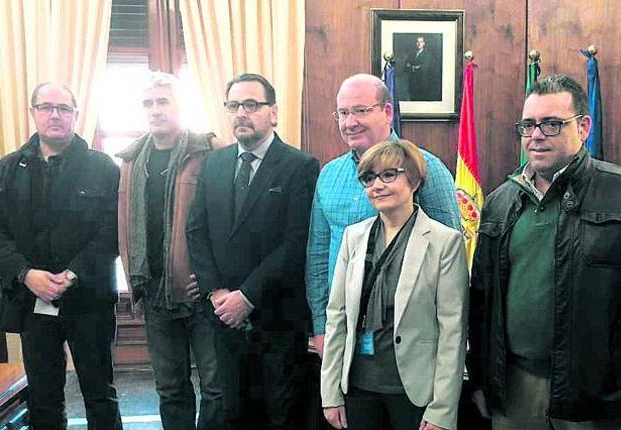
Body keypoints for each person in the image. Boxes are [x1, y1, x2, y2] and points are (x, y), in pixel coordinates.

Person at [468, 74, 621, 430]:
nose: (537, 135)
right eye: (528, 125)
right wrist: (482, 381)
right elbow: (482, 303)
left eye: (552, 124)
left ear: (585, 127)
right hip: (515, 392)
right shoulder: (499, 203)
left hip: (599, 399)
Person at [186, 73, 320, 429]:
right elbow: (196, 231)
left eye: (251, 104)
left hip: (276, 317)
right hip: (224, 317)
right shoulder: (214, 164)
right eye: (233, 105)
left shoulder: (299, 166)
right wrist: (217, 293)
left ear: (273, 112)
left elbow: (295, 243)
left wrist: (247, 296)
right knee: (233, 414)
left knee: (280, 415)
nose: (241, 113)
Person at [306, 73, 460, 359]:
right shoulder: (328, 175)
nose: (350, 122)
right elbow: (317, 255)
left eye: (361, 111)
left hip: (408, 339)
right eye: (343, 113)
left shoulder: (427, 169)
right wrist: (320, 326)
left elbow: (450, 262)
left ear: (387, 112)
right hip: (343, 331)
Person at [0, 82, 122, 429]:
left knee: (99, 392)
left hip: (88, 299)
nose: (55, 115)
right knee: (43, 395)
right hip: (31, 301)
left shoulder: (104, 168)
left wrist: (72, 274)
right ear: (33, 112)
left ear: (76, 115)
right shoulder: (6, 170)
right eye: (47, 107)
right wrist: (25, 273)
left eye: (64, 109)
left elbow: (111, 231)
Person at [320, 140, 468, 430]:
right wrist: (330, 393)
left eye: (389, 175)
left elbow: (453, 330)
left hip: (414, 391)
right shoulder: (354, 237)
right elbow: (336, 316)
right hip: (359, 386)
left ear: (413, 180)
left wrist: (442, 409)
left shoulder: (444, 242)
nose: (377, 185)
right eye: (369, 178)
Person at [117, 72, 222, 429]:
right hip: (155, 294)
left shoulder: (207, 152)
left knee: (216, 388)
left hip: (202, 294)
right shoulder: (131, 161)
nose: (155, 110)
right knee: (170, 388)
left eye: (163, 101)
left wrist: (211, 278)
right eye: (148, 103)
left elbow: (227, 221)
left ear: (180, 105)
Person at [404, 36, 433, 101]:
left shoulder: (427, 55)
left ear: (424, 43)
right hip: (412, 84)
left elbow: (425, 67)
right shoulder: (411, 55)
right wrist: (415, 67)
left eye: (421, 42)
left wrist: (413, 67)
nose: (419, 44)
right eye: (417, 42)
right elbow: (406, 67)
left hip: (422, 83)